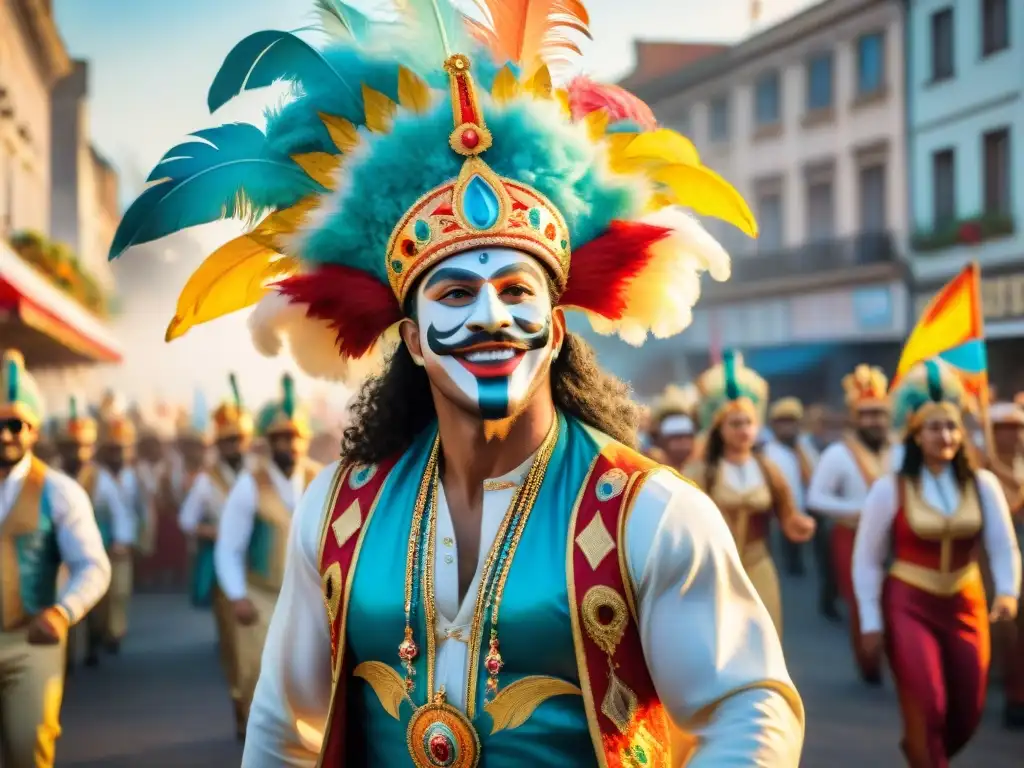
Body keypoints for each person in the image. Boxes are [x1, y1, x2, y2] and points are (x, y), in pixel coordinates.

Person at [110, 2, 805, 764]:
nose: (490, 317)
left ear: (559, 326)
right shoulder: (338, 510)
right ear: (410, 339)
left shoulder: (652, 513)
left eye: (516, 291)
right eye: (452, 296)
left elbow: (749, 709)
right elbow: (283, 730)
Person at [853, 358, 1021, 767]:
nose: (944, 435)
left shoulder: (983, 485)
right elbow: (867, 559)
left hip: (966, 601)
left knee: (968, 711)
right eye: (933, 427)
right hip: (909, 604)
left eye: (951, 426)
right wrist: (872, 621)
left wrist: (1008, 593)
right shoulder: (889, 489)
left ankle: (923, 751)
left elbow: (1003, 545)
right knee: (927, 705)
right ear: (915, 433)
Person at [0, 349, 111, 766]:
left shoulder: (58, 490)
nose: (6, 435)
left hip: (32, 640)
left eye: (16, 425)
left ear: (33, 430)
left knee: (30, 747)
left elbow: (93, 565)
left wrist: (64, 611)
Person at [213, 374, 322, 734]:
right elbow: (229, 547)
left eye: (295, 438)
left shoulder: (322, 480)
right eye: (281, 438)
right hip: (259, 593)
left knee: (309, 671)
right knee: (256, 668)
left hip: (310, 593)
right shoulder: (249, 485)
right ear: (270, 443)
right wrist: (238, 595)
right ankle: (252, 726)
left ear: (305, 441)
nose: (289, 445)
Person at [685, 352, 815, 636]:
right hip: (715, 569)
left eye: (748, 423)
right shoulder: (701, 471)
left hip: (759, 564)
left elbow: (787, 513)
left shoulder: (768, 468)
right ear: (720, 429)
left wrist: (798, 524)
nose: (743, 430)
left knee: (766, 637)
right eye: (735, 424)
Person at [806, 364, 893, 682]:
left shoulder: (898, 450)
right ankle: (869, 661)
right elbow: (816, 498)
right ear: (855, 417)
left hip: (896, 538)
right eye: (867, 414)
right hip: (851, 535)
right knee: (860, 598)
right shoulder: (838, 454)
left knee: (894, 597)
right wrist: (864, 509)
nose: (874, 421)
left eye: (879, 414)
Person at [179, 374, 255, 739]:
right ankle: (241, 704)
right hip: (225, 571)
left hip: (260, 570)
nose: (232, 446)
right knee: (234, 643)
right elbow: (186, 520)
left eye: (237, 439)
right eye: (225, 441)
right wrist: (216, 533)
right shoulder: (207, 479)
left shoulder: (261, 476)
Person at [53, 396, 136, 669]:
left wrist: (122, 541)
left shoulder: (101, 478)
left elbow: (119, 511)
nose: (76, 453)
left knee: (93, 599)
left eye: (82, 447)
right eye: (70, 447)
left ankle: (91, 646)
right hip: (58, 552)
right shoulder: (51, 478)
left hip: (95, 547)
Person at [92, 394, 144, 657]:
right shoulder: (94, 477)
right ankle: (99, 632)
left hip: (125, 544)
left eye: (121, 449)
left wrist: (139, 539)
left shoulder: (132, 477)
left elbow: (139, 510)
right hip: (99, 544)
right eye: (112, 449)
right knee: (100, 594)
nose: (117, 454)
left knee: (121, 591)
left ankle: (115, 632)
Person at [985, 400, 1024, 728]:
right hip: (996, 557)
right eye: (1004, 429)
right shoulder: (983, 472)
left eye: (1017, 428)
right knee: (1008, 629)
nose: (1012, 435)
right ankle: (1014, 698)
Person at [764, 397, 814, 577]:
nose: (788, 427)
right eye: (782, 422)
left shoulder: (805, 448)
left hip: (806, 516)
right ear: (774, 425)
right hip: (779, 521)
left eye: (791, 422)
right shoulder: (768, 454)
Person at [647, 384, 698, 471]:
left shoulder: (700, 471)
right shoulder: (651, 469)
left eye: (687, 437)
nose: (684, 444)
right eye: (677, 438)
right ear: (662, 441)